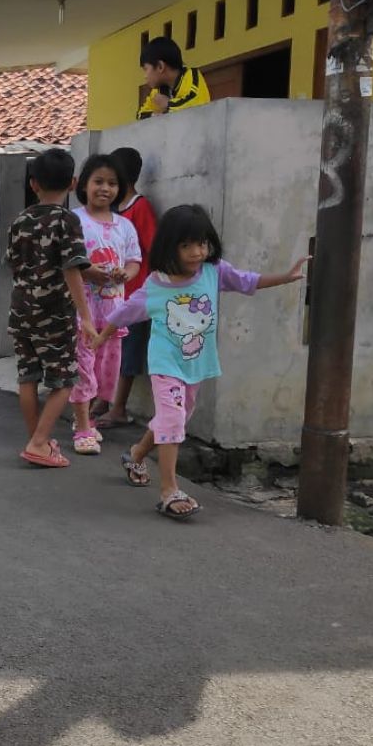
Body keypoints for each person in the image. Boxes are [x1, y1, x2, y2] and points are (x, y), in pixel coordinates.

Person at [93, 204, 309, 519]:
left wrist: (286, 277)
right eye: (187, 245)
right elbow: (124, 312)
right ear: (170, 246)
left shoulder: (214, 271)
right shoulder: (156, 284)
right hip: (166, 364)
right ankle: (169, 490)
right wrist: (99, 337)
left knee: (175, 418)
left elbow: (246, 281)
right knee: (172, 419)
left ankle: (137, 453)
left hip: (196, 365)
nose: (197, 252)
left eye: (202, 243)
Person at [6, 148, 97, 468]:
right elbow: (72, 268)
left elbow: (14, 266)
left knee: (27, 376)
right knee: (64, 379)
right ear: (73, 184)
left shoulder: (20, 221)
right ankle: (40, 443)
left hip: (20, 310)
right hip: (53, 313)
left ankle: (37, 441)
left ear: (34, 184)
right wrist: (85, 316)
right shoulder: (67, 221)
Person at [67, 154, 142, 456]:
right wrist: (90, 272)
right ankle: (83, 427)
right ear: (83, 185)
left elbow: (135, 261)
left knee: (105, 369)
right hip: (81, 311)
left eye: (112, 184)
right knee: (84, 366)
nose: (105, 188)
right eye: (98, 181)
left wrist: (126, 274)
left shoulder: (125, 226)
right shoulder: (74, 220)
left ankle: (89, 418)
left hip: (114, 314)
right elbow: (68, 262)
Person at [96, 147, 159, 429]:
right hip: (112, 294)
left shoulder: (140, 208)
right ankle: (105, 399)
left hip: (134, 295)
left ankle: (118, 406)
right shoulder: (115, 211)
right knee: (109, 349)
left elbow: (152, 249)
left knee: (128, 351)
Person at [137, 37, 211, 120]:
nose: (145, 76)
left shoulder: (191, 75)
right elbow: (141, 114)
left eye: (146, 69)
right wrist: (155, 116)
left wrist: (167, 104)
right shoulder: (157, 92)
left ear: (160, 66)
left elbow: (197, 102)